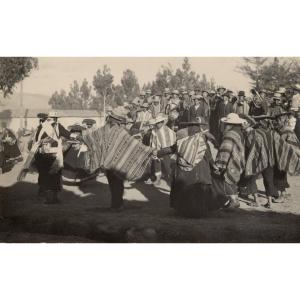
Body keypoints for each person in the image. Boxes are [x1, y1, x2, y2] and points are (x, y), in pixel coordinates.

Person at [33, 111, 76, 204]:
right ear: (54, 118)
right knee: (53, 175)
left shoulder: (41, 126)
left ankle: (45, 193)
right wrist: (77, 137)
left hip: (42, 155)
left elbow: (36, 140)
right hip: (51, 156)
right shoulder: (55, 126)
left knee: (45, 174)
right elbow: (68, 135)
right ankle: (50, 198)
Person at [215, 113, 246, 208]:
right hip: (237, 158)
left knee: (227, 180)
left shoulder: (229, 134)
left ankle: (233, 201)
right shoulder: (239, 132)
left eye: (226, 124)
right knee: (232, 180)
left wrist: (220, 163)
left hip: (230, 160)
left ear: (230, 124)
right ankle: (234, 200)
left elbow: (226, 149)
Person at [273, 115, 300, 201]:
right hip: (281, 156)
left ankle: (282, 195)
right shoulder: (280, 130)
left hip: (283, 157)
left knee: (279, 175)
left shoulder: (287, 131)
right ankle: (284, 193)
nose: (276, 122)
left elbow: (293, 145)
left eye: (278, 120)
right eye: (276, 120)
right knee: (282, 175)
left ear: (284, 121)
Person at [148, 113, 176, 185]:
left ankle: (173, 179)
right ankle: (158, 179)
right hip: (158, 150)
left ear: (162, 122)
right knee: (156, 161)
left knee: (167, 165)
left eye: (159, 123)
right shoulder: (154, 131)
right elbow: (153, 141)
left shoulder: (167, 130)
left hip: (167, 150)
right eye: (157, 123)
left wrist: (160, 151)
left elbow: (171, 143)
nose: (158, 124)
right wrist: (154, 150)